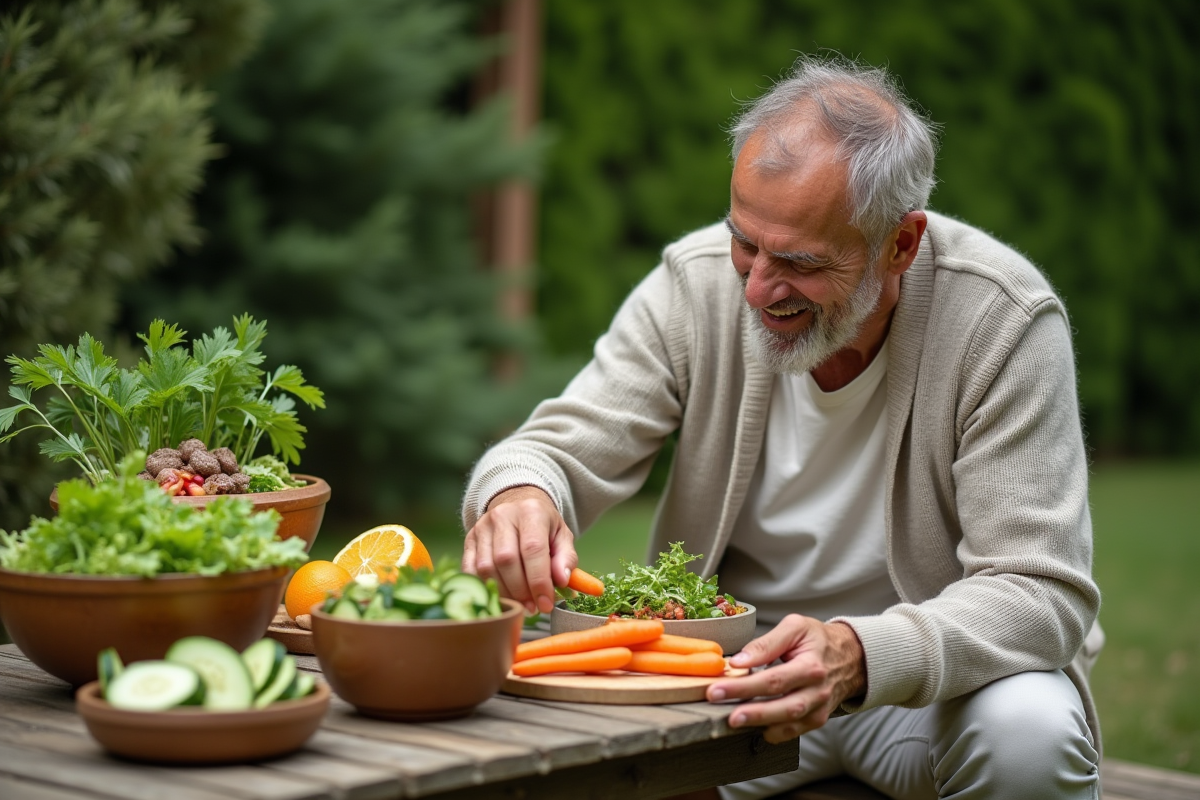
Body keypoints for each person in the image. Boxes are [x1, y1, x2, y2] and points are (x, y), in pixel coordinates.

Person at [461, 55, 1103, 800]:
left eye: (798, 262)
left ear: (900, 243)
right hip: (732, 677)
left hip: (925, 692)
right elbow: (558, 448)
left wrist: (861, 652)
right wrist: (519, 496)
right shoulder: (695, 283)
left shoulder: (1004, 319)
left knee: (1030, 737)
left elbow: (1037, 591)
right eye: (745, 241)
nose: (758, 288)